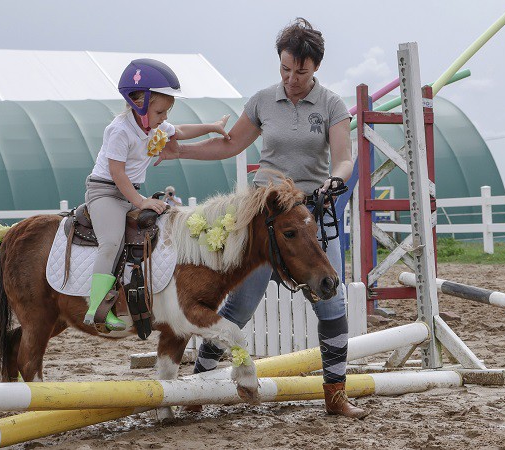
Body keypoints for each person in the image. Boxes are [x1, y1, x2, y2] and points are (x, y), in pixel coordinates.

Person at [155, 18, 367, 418]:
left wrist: (335, 182)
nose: (291, 78)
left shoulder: (332, 105)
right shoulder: (262, 101)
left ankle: (336, 395)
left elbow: (342, 158)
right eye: (285, 69)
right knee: (238, 308)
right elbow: (230, 143)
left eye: (300, 72)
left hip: (309, 215)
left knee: (330, 302)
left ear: (315, 68)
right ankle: (199, 390)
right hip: (261, 219)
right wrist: (180, 152)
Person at [84, 58, 229, 331]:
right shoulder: (119, 131)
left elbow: (181, 131)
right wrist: (140, 202)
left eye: (166, 113)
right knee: (111, 242)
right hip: (106, 191)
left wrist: (212, 126)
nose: (165, 118)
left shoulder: (153, 127)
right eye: (161, 112)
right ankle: (97, 307)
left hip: (127, 193)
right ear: (140, 104)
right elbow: (117, 173)